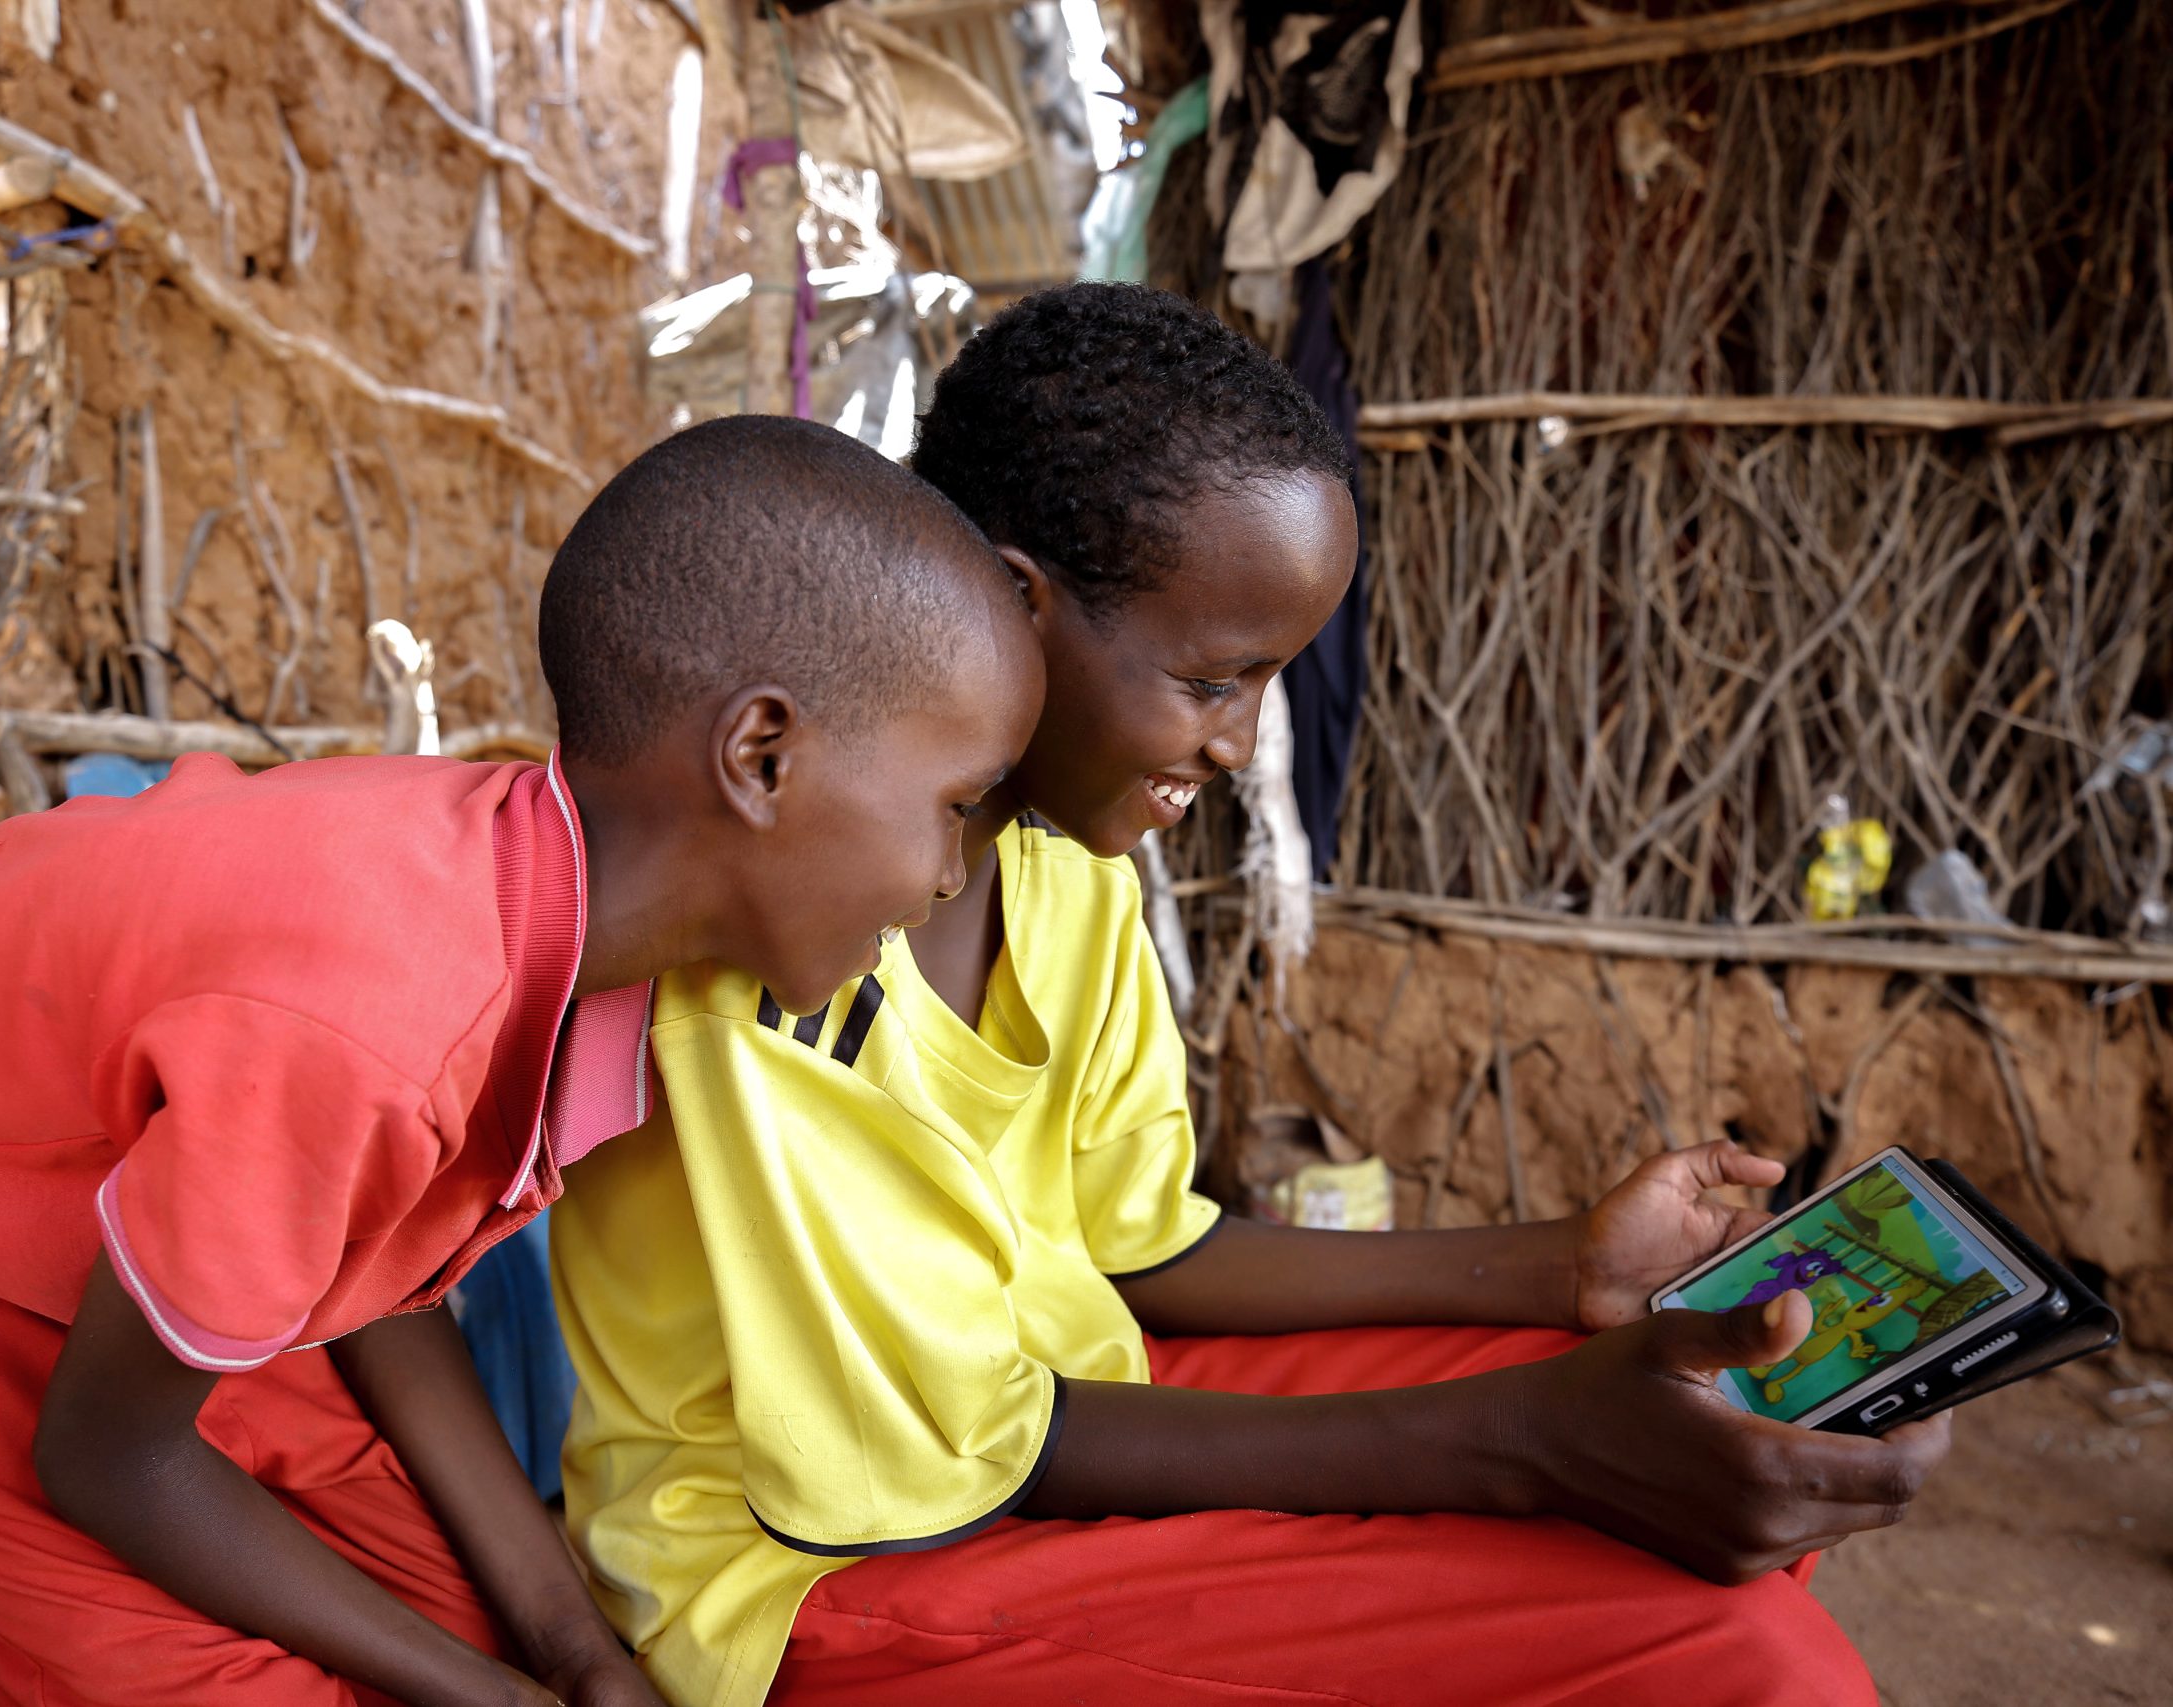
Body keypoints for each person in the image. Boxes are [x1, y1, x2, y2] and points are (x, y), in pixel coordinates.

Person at [549, 285, 1951, 1707]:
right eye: (1216, 679)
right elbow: (965, 1447)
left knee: (1688, 1416)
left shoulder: (1066, 877)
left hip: (1054, 1418)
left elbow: (1141, 1249)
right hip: (822, 1565)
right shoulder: (783, 955)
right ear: (1020, 610)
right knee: (1731, 1656)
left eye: (1272, 681)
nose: (1242, 743)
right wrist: (1531, 1443)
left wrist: (1567, 1268)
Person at [0, 416, 1042, 1707]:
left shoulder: (546, 911)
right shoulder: (380, 1016)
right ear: (764, 757)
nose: (951, 874)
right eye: (957, 805)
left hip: (132, 1254)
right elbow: (112, 1459)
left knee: (452, 1618)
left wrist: (565, 1648)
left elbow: (357, 1270)